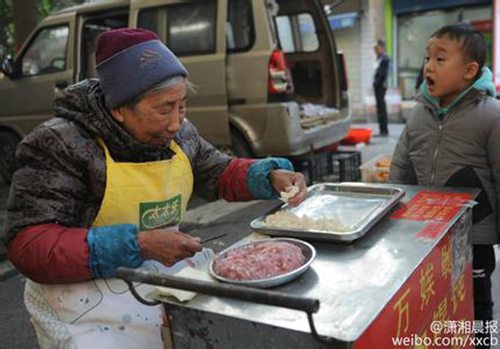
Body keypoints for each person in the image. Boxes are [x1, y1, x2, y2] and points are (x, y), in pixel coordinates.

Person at [2, 28, 307, 348]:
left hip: (156, 272)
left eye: (182, 105)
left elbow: (217, 171)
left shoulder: (179, 134)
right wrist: (137, 244)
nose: (176, 122)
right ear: (118, 108)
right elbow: (29, 245)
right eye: (164, 109)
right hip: (80, 297)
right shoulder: (61, 143)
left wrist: (266, 177)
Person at [389, 24, 499, 349]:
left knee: (477, 306)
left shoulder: (490, 115)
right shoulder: (419, 115)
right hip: (427, 236)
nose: (428, 66)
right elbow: (401, 168)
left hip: (474, 237)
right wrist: (391, 216)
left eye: (439, 59)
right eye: (427, 58)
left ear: (469, 71)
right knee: (438, 300)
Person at [373, 39, 390, 137]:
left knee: (381, 108)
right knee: (379, 108)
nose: (375, 51)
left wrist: (376, 83)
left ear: (382, 48)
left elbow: (383, 74)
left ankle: (384, 130)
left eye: (377, 48)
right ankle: (381, 129)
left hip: (381, 86)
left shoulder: (385, 59)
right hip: (377, 85)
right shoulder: (378, 58)